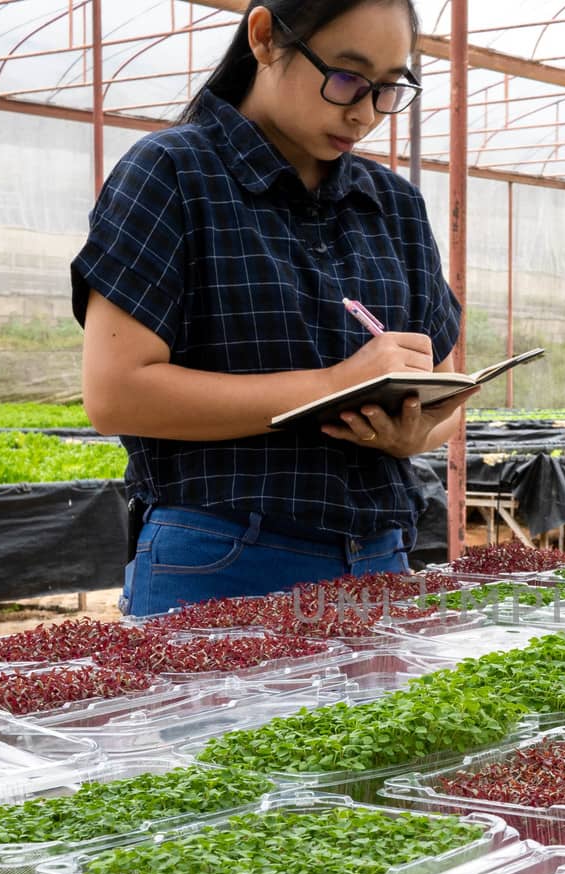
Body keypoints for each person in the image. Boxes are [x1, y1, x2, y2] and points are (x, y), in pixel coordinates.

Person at [72, 0, 466, 618]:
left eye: (389, 88)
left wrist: (414, 431)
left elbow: (444, 390)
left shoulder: (393, 207)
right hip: (221, 558)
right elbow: (116, 393)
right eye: (345, 78)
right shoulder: (172, 174)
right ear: (265, 37)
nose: (364, 113)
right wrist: (332, 386)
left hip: (380, 561)